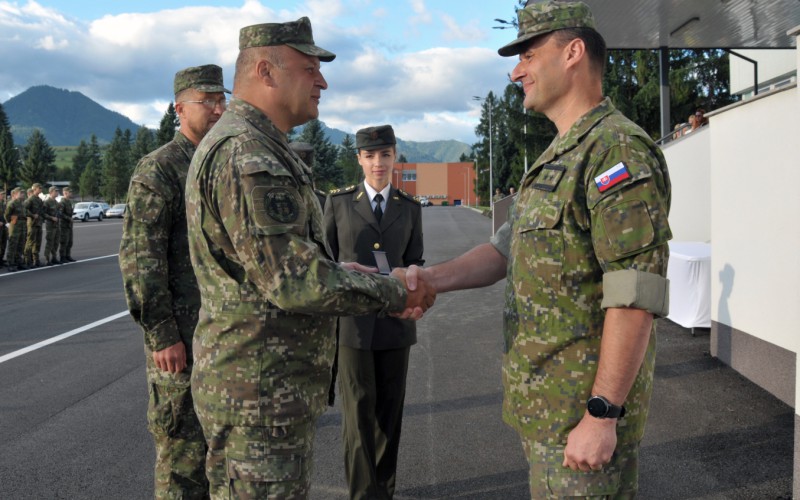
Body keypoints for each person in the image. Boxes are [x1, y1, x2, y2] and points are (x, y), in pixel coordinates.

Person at [401, 2, 672, 497]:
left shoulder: (616, 152)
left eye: (528, 53)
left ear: (573, 52)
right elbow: (504, 251)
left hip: (582, 417)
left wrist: (603, 412)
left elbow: (635, 292)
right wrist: (429, 280)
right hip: (546, 411)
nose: (516, 69)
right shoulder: (553, 159)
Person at [184, 18, 435, 499]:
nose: (322, 81)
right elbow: (293, 281)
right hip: (258, 398)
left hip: (265, 393)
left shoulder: (259, 147)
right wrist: (392, 290)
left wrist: (346, 271)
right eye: (309, 68)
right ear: (266, 71)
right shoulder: (246, 154)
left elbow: (287, 264)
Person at [119, 64, 230, 499]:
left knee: (220, 458)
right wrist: (163, 334)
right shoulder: (160, 169)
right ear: (179, 108)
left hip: (222, 336)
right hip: (180, 341)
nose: (219, 110)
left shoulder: (219, 163)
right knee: (182, 461)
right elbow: (140, 258)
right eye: (209, 102)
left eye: (223, 101)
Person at [323, 125, 424, 499]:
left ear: (395, 156)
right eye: (370, 156)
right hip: (352, 328)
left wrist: (416, 295)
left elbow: (415, 262)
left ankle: (385, 490)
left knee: (389, 418)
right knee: (357, 418)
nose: (378, 163)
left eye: (385, 155)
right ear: (359, 159)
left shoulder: (409, 209)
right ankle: (363, 494)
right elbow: (326, 262)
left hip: (396, 327)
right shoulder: (337, 204)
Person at [4, 188, 25, 272]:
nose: (23, 194)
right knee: (12, 245)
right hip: (15, 227)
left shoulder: (21, 203)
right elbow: (6, 215)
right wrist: (11, 222)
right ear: (15, 194)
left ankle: (18, 262)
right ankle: (10, 263)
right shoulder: (12, 203)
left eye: (23, 193)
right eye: (21, 193)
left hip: (22, 227)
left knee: (20, 245)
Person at [23, 183, 43, 267]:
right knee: (30, 243)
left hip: (38, 224)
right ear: (35, 189)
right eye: (39, 188)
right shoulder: (30, 199)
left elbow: (42, 211)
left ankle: (36, 260)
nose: (41, 189)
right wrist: (32, 215)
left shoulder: (39, 200)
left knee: (37, 243)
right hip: (32, 224)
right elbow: (24, 209)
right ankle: (27, 261)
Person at [42, 186, 61, 265]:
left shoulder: (56, 202)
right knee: (49, 242)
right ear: (51, 192)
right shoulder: (47, 202)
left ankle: (54, 257)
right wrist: (51, 217)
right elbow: (43, 213)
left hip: (56, 225)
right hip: (50, 225)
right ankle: (47, 259)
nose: (57, 192)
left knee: (56, 242)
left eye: (57, 191)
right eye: (55, 191)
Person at [58, 187, 75, 262]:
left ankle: (68, 255)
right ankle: (62, 257)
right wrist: (68, 218)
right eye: (69, 192)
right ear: (65, 193)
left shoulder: (69, 202)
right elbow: (60, 213)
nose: (71, 193)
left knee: (70, 241)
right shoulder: (62, 202)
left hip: (69, 225)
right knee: (64, 241)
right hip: (64, 225)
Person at [0, 190, 7, 266]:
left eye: (4, 195)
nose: (3, 196)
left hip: (4, 226)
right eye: (2, 195)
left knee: (3, 243)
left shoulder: (3, 204)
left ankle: (1, 259)